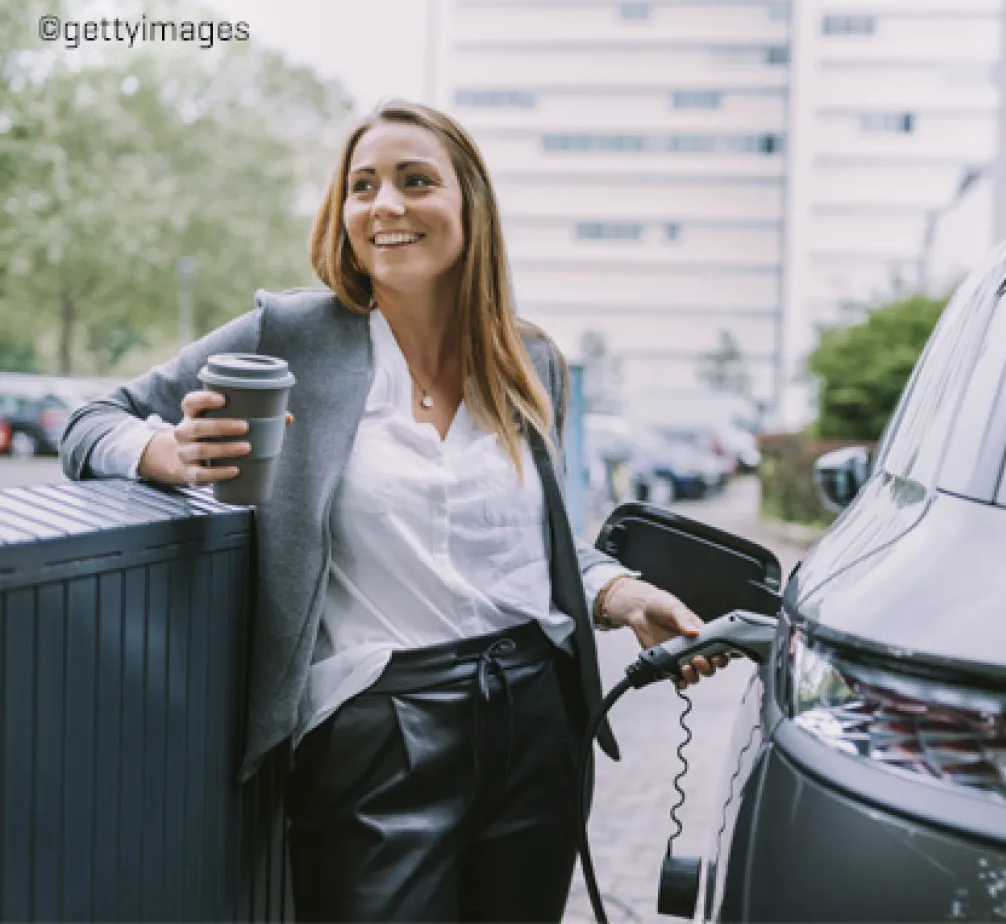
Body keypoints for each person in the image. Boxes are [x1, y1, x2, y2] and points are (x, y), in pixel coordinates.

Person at [60, 99, 726, 922]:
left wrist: (619, 595)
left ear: (468, 206)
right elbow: (91, 419)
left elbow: (536, 550)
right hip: (375, 733)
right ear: (341, 215)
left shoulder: (530, 363)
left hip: (535, 720)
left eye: (416, 182)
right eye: (363, 186)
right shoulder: (292, 336)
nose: (386, 205)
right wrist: (166, 454)